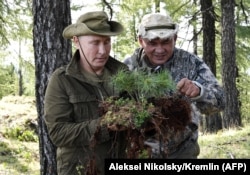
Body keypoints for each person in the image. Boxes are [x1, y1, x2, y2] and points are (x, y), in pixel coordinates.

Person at [123, 12, 225, 159]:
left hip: (181, 153)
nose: (160, 49)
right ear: (141, 41)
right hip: (141, 153)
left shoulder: (191, 63)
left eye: (165, 42)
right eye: (152, 43)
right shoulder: (128, 67)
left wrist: (199, 91)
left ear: (175, 39)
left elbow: (221, 100)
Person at [44, 11, 128, 175]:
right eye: (95, 43)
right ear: (76, 41)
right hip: (80, 169)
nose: (103, 51)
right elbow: (58, 133)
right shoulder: (62, 80)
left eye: (107, 41)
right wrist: (103, 126)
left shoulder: (123, 74)